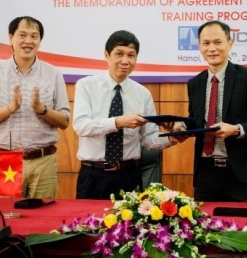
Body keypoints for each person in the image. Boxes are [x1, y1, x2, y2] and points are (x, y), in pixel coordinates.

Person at [73, 30, 183, 200]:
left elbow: (149, 138)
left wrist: (172, 137)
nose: (125, 60)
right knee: (89, 226)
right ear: (107, 55)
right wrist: (118, 122)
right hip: (93, 175)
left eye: (131, 55)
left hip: (129, 175)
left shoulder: (142, 93)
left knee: (130, 225)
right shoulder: (86, 86)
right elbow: (81, 126)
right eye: (119, 54)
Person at [181, 20, 247, 201]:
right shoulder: (195, 83)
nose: (212, 49)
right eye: (206, 43)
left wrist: (236, 129)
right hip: (205, 173)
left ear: (230, 43)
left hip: (241, 174)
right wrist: (181, 126)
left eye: (218, 42)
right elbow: (196, 121)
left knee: (244, 229)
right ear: (199, 46)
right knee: (203, 228)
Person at [0, 16, 70, 199]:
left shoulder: (53, 73)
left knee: (42, 220)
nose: (28, 41)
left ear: (40, 41)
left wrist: (41, 109)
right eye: (22, 35)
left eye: (34, 36)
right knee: (9, 218)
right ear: (11, 38)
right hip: (8, 161)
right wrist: (10, 108)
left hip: (43, 160)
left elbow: (65, 121)